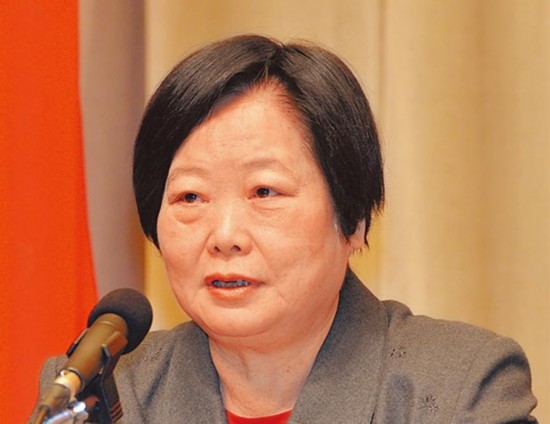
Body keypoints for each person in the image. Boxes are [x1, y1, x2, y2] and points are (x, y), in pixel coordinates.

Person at [32, 34, 537, 423]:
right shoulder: (103, 394)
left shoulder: (460, 388)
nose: (224, 235)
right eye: (190, 197)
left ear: (353, 219)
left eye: (264, 192)